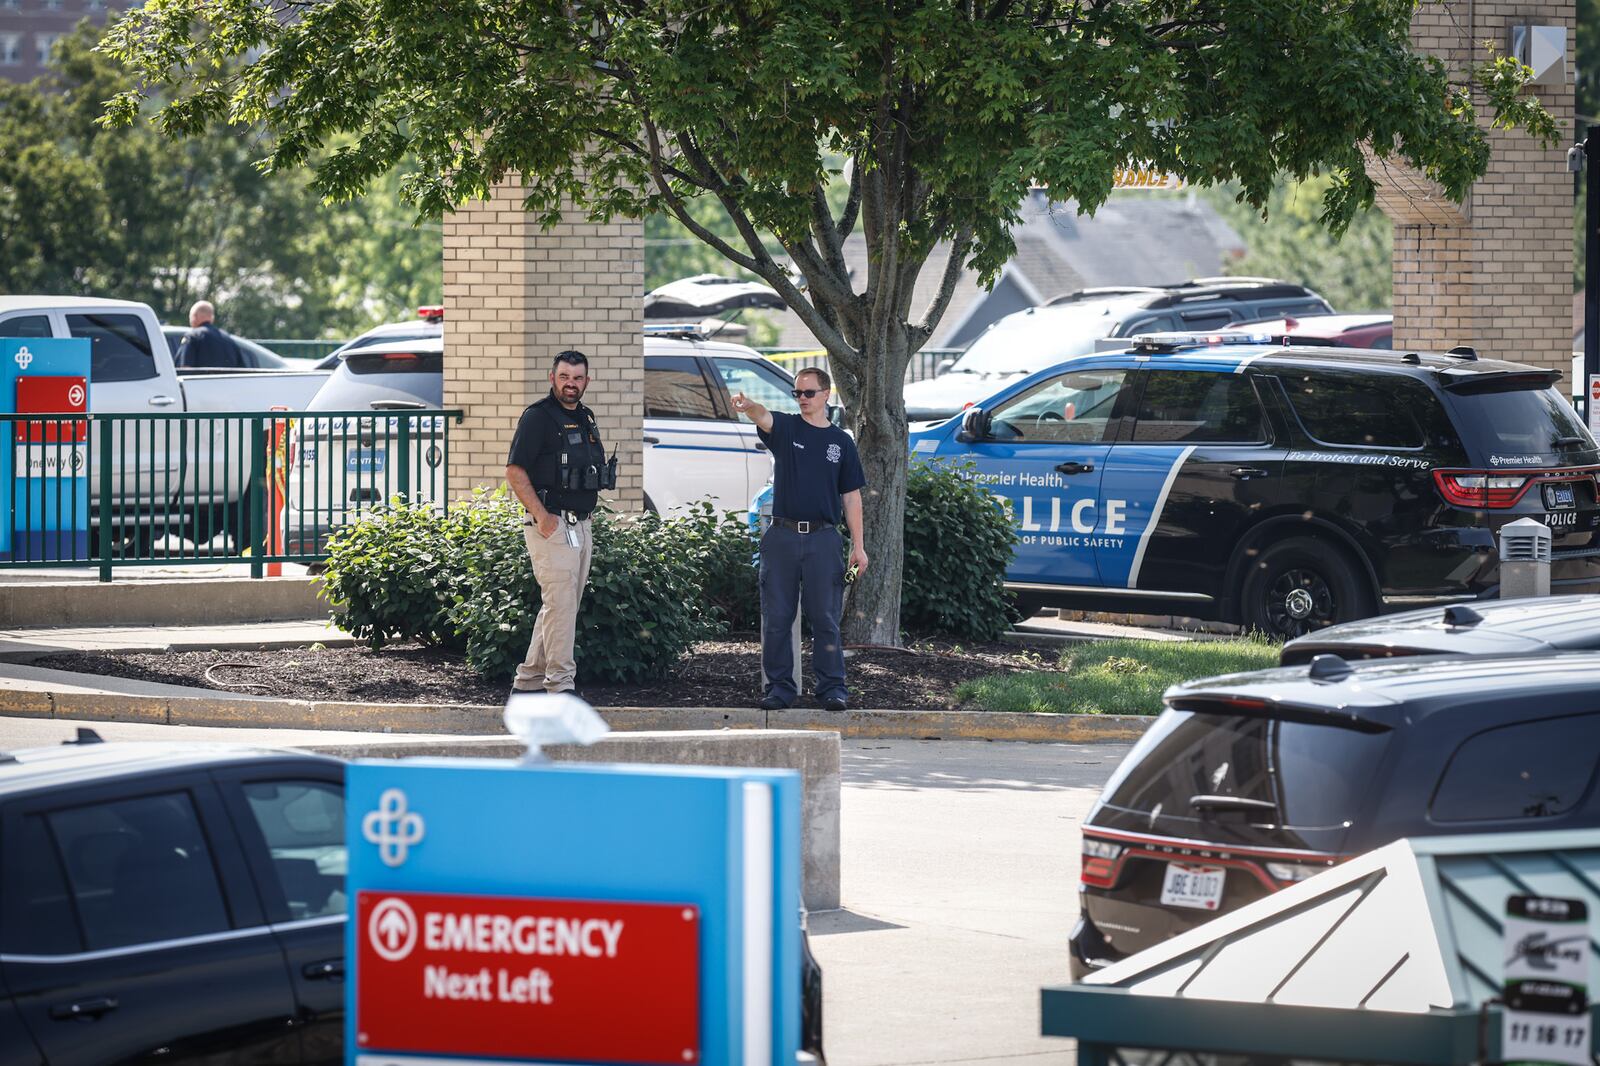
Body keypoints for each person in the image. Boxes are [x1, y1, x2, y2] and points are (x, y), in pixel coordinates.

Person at [731, 367, 868, 712]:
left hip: (824, 540)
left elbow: (851, 497)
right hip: (782, 537)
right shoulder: (788, 428)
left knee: (825, 618)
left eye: (809, 393)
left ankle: (832, 688)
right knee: (777, 617)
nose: (803, 399)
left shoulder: (841, 442)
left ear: (826, 394)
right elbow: (764, 416)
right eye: (797, 394)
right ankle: (779, 688)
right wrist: (748, 406)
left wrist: (859, 545)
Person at [505, 350, 615, 694]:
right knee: (561, 606)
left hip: (580, 525)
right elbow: (514, 471)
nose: (571, 384)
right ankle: (560, 687)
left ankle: (527, 683)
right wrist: (542, 516)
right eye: (564, 377)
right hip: (551, 526)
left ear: (587, 381)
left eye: (577, 378)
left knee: (562, 606)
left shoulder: (586, 416)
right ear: (552, 378)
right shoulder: (538, 417)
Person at [176, 301, 245, 369]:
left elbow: (185, 369)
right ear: (212, 318)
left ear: (195, 316)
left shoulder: (192, 337)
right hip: (228, 380)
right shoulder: (229, 339)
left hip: (200, 380)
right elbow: (241, 370)